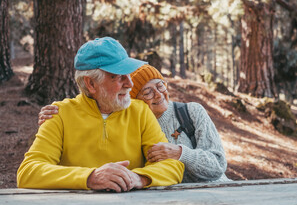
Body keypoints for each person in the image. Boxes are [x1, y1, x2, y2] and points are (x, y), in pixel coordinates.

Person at [17, 37, 184, 192]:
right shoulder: (60, 114)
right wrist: (90, 178)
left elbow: (172, 166)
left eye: (129, 75)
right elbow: (28, 172)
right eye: (119, 77)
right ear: (91, 84)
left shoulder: (140, 111)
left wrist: (138, 178)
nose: (130, 84)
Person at [39, 64, 229, 183]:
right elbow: (95, 100)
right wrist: (60, 116)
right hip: (173, 197)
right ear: (133, 99)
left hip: (220, 190)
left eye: (160, 85)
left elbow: (218, 165)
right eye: (147, 92)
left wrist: (180, 153)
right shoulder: (134, 119)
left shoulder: (191, 112)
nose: (158, 94)